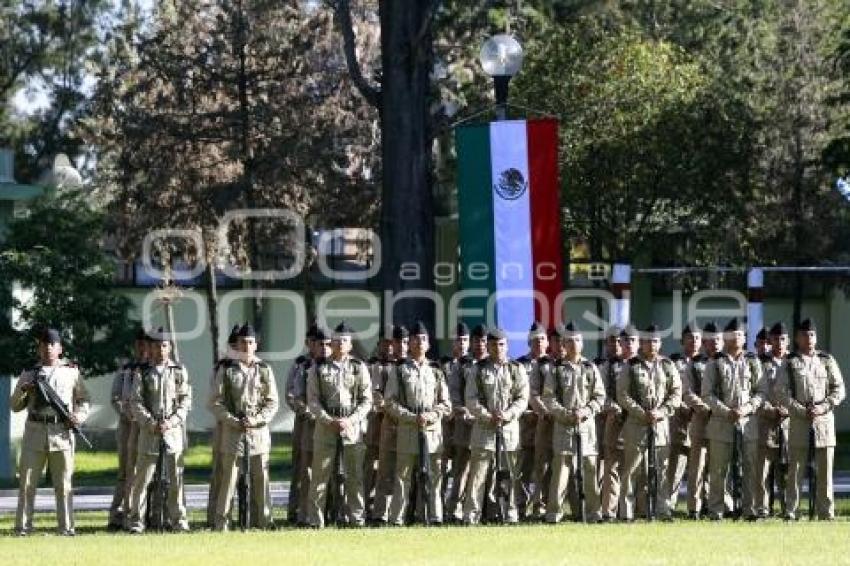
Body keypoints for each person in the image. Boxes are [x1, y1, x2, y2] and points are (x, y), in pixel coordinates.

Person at [11, 327, 90, 536]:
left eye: (52, 345)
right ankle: (23, 527)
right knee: (27, 483)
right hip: (35, 432)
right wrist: (23, 390)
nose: (47, 348)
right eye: (43, 345)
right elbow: (14, 405)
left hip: (61, 432)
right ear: (38, 349)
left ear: (60, 349)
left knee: (63, 484)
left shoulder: (71, 372)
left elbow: (84, 401)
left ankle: (66, 528)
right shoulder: (29, 373)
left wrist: (78, 417)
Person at [209, 324, 280, 530]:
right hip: (233, 432)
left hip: (258, 432)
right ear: (237, 345)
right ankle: (222, 523)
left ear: (256, 345)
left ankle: (265, 522)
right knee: (228, 480)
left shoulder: (264, 369)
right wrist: (233, 420)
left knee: (261, 480)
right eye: (243, 342)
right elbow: (215, 402)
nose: (247, 346)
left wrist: (257, 419)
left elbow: (272, 402)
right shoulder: (227, 370)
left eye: (250, 342)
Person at [776, 318, 845, 520]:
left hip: (823, 423)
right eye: (805, 335)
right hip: (799, 422)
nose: (809, 338)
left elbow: (839, 390)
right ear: (797, 338)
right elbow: (781, 392)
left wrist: (823, 407)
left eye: (812, 334)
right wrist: (799, 409)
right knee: (795, 471)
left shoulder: (826, 360)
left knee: (825, 473)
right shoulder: (790, 362)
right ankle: (791, 512)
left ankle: (826, 513)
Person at [306, 322, 372, 528]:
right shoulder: (318, 368)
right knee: (320, 476)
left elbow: (366, 399)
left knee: (354, 476)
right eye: (336, 341)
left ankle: (356, 518)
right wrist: (328, 420)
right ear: (331, 344)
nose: (340, 344)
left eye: (344, 341)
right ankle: (316, 520)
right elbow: (313, 400)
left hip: (351, 427)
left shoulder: (358, 367)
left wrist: (350, 420)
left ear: (350, 345)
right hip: (326, 426)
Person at [384, 321, 451, 525]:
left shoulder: (436, 370)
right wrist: (411, 417)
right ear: (409, 343)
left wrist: (430, 416)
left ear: (428, 344)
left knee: (434, 477)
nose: (419, 343)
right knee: (402, 477)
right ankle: (397, 518)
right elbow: (390, 402)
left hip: (431, 432)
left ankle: (434, 516)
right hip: (408, 429)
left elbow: (446, 404)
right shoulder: (400, 370)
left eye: (423, 339)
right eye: (415, 339)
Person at [127, 328, 192, 533]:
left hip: (172, 434)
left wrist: (171, 422)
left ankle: (178, 521)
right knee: (142, 481)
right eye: (156, 346)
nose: (160, 350)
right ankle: (136, 522)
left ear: (169, 347)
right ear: (150, 348)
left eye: (164, 346)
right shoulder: (142, 372)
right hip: (149, 433)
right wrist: (150, 423)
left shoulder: (179, 371)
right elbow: (135, 402)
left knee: (176, 480)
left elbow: (185, 401)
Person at [462, 328, 529, 525]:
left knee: (509, 476)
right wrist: (486, 416)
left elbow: (522, 398)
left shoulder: (516, 368)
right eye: (493, 344)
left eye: (501, 344)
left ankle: (510, 514)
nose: (497, 348)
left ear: (507, 346)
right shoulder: (479, 368)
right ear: (487, 346)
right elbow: (471, 398)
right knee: (478, 477)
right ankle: (471, 516)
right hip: (484, 430)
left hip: (508, 430)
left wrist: (507, 414)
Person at [541, 322, 605, 523]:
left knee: (589, 470)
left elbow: (599, 396)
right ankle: (554, 513)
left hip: (586, 428)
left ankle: (593, 513)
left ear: (582, 343)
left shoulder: (590, 367)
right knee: (560, 472)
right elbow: (549, 398)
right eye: (569, 341)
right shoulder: (556, 369)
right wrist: (566, 414)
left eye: (577, 340)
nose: (573, 344)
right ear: (563, 344)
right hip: (564, 427)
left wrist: (585, 411)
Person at [617, 324, 681, 521]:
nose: (651, 345)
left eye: (655, 341)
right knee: (632, 471)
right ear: (641, 344)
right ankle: (627, 512)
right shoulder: (631, 365)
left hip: (660, 426)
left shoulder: (668, 365)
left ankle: (661, 509)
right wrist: (642, 413)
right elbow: (623, 394)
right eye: (647, 341)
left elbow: (676, 393)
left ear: (660, 343)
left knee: (661, 469)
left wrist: (660, 412)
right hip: (636, 425)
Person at [702, 318, 764, 521]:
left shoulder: (753, 361)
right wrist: (725, 411)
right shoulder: (715, 362)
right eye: (732, 334)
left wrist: (746, 409)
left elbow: (761, 392)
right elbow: (707, 394)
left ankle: (749, 509)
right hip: (721, 424)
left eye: (740, 334)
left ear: (745, 338)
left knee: (750, 468)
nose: (736, 338)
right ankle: (717, 510)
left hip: (748, 424)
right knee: (718, 470)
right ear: (725, 338)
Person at [108, 327, 148, 530]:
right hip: (126, 425)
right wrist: (125, 411)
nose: (142, 348)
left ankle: (143, 514)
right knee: (125, 472)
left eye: (145, 343)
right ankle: (117, 515)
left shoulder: (153, 368)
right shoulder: (126, 367)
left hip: (148, 426)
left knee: (146, 473)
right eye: (139, 343)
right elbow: (114, 396)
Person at [445, 323, 486, 522]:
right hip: (465, 424)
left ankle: (487, 509)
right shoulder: (462, 364)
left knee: (486, 469)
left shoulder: (494, 364)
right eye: (477, 340)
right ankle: (454, 510)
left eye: (483, 340)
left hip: (487, 426)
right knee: (461, 469)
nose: (480, 344)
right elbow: (453, 392)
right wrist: (462, 411)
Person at [755, 321, 790, 518]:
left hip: (789, 422)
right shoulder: (760, 362)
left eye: (782, 339)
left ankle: (788, 508)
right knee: (763, 470)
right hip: (765, 422)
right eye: (775, 339)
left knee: (786, 469)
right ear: (770, 341)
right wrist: (770, 410)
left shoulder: (794, 361)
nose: (779, 343)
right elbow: (755, 392)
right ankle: (762, 509)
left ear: (788, 341)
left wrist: (788, 409)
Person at [666, 324, 701, 515]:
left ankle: (695, 507)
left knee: (699, 468)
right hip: (679, 421)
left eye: (697, 338)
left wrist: (698, 408)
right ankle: (669, 505)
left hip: (700, 420)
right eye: (690, 337)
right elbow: (670, 390)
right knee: (675, 466)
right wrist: (684, 407)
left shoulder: (707, 362)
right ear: (682, 341)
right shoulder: (673, 363)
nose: (694, 341)